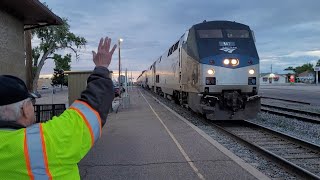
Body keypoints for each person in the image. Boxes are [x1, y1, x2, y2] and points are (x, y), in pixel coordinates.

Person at [0, 37, 116, 179]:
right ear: (24, 109)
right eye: (31, 102)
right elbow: (93, 108)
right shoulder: (44, 142)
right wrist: (102, 67)